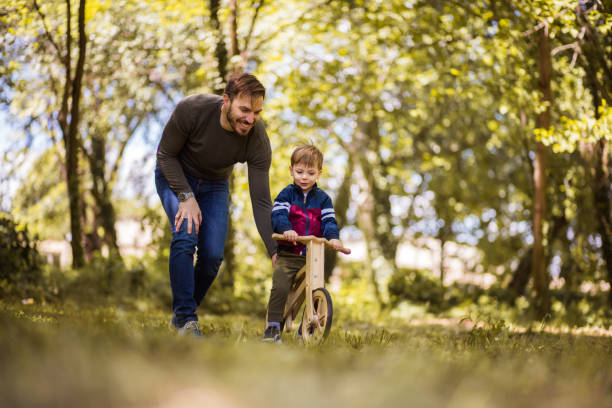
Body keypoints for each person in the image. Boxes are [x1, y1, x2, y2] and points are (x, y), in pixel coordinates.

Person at [155, 73, 277, 337]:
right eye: (244, 109)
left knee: (211, 257)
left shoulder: (256, 137)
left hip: (214, 186)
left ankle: (180, 316)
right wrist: (185, 197)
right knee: (186, 235)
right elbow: (165, 154)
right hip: (175, 175)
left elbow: (261, 200)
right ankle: (187, 320)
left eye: (256, 112)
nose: (250, 118)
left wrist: (274, 249)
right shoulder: (193, 109)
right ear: (226, 101)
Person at [263, 144, 343, 344]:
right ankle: (272, 328)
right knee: (280, 286)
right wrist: (285, 230)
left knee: (317, 287)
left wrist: (333, 237)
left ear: (319, 173)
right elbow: (279, 214)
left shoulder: (324, 199)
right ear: (291, 171)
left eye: (310, 172)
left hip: (313, 254)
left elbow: (329, 222)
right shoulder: (286, 195)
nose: (304, 177)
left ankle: (305, 329)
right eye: (299, 172)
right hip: (289, 254)